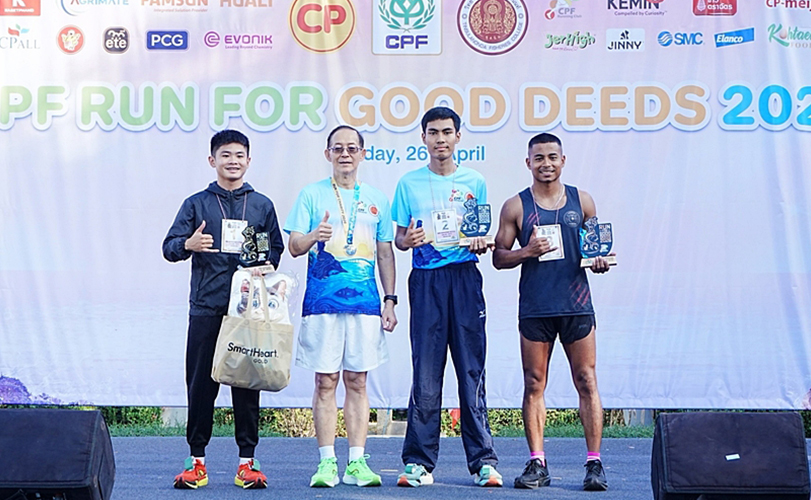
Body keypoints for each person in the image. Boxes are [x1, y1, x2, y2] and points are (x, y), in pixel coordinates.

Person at [163, 129, 284, 489]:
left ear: (249, 160)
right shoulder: (196, 204)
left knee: (247, 385)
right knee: (201, 385)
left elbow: (275, 248)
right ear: (212, 160)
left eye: (239, 155)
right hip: (206, 307)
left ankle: (247, 463)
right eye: (225, 155)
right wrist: (188, 244)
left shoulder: (261, 205)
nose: (233, 161)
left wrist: (268, 265)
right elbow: (169, 247)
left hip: (247, 311)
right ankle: (196, 461)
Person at [492, 132, 611, 491]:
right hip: (536, 307)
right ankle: (537, 462)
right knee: (533, 383)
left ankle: (594, 464)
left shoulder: (582, 201)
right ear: (528, 162)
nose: (546, 164)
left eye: (552, 157)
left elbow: (594, 249)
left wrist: (599, 261)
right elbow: (498, 257)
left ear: (563, 160)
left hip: (576, 305)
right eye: (539, 158)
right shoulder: (515, 206)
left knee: (586, 380)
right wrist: (526, 251)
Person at [392, 106, 502, 488]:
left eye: (447, 132)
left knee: (471, 369)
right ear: (423, 137)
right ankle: (418, 463)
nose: (440, 139)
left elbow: (480, 231)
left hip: (465, 278)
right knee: (426, 371)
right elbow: (399, 238)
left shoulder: (475, 181)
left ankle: (484, 462)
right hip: (426, 281)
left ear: (458, 136)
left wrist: (480, 241)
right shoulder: (408, 183)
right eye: (433, 132)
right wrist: (408, 239)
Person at [284, 125, 397, 488]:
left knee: (358, 380)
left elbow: (385, 253)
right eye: (338, 148)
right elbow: (294, 247)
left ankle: (357, 462)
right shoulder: (311, 195)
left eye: (351, 148)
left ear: (363, 153)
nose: (345, 154)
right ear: (327, 153)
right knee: (325, 380)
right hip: (322, 303)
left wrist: (390, 300)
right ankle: (326, 462)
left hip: (365, 304)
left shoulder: (377, 198)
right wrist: (313, 236)